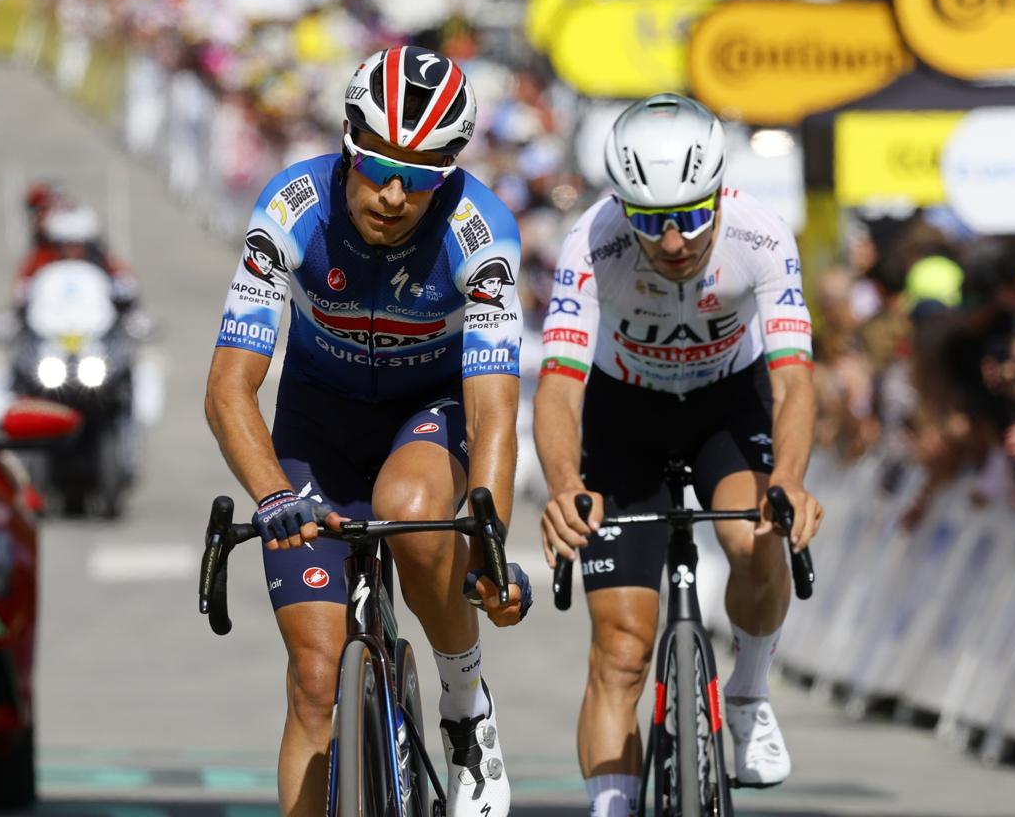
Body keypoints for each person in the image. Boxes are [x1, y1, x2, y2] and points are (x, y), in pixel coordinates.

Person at [204, 46, 529, 817]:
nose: (391, 194)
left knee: (415, 509)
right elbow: (229, 388)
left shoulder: (482, 233)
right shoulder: (289, 209)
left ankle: (463, 709)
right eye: (377, 167)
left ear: (447, 175)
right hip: (318, 422)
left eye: (418, 179)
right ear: (347, 145)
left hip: (429, 412)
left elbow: (492, 412)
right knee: (316, 681)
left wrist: (488, 547)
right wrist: (272, 492)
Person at [533, 93, 824, 815]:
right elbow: (560, 389)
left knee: (758, 534)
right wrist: (564, 484)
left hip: (726, 406)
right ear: (621, 205)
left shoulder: (761, 236)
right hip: (623, 415)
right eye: (651, 221)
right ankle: (611, 805)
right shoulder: (589, 245)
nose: (672, 243)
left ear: (720, 190)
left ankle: (750, 693)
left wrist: (788, 480)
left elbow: (792, 381)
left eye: (692, 216)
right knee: (622, 648)